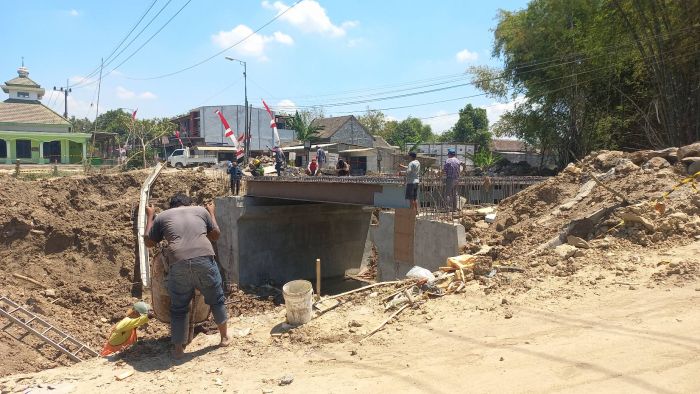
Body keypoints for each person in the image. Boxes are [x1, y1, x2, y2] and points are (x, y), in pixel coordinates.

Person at [144, 194, 229, 359]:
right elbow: (215, 235)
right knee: (216, 299)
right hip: (204, 259)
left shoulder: (162, 217)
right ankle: (224, 338)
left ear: (172, 206)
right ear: (189, 203)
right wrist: (211, 212)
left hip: (178, 263)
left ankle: (178, 349)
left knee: (179, 307)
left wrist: (150, 216)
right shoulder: (200, 210)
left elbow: (149, 242)